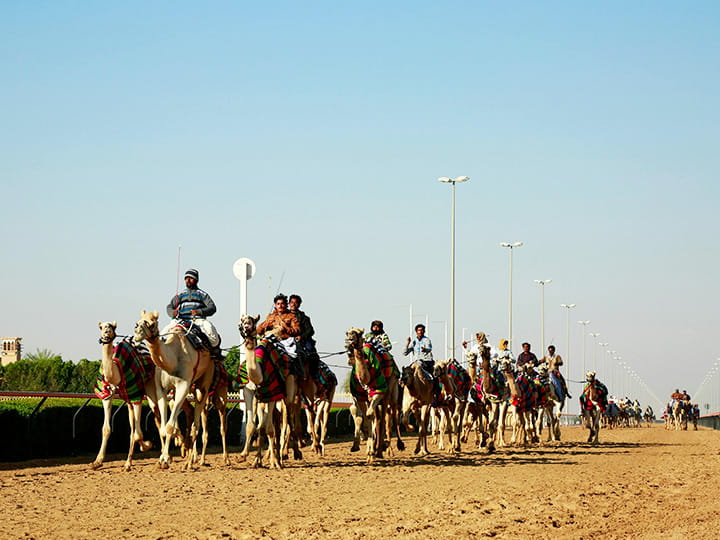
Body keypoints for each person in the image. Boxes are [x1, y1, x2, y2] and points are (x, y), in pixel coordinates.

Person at [164, 268, 222, 360]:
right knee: (162, 334)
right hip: (181, 320)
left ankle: (214, 353)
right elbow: (169, 306)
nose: (188, 280)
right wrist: (172, 312)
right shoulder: (180, 294)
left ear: (196, 280)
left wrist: (199, 311)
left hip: (198, 320)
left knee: (211, 332)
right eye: (186, 278)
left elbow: (212, 307)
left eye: (190, 278)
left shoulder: (202, 294)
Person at [404, 324, 439, 401]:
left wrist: (425, 349)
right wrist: (407, 343)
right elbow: (405, 353)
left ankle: (436, 396)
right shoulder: (413, 342)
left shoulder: (427, 340)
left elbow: (429, 348)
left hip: (426, 361)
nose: (420, 332)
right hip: (416, 362)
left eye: (422, 330)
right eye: (419, 330)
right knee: (406, 374)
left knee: (434, 377)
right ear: (416, 332)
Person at [288, 294, 319, 376]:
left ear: (299, 304)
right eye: (291, 302)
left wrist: (301, 337)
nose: (293, 304)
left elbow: (310, 331)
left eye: (296, 302)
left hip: (302, 340)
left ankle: (313, 375)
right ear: (289, 303)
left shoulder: (304, 318)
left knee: (311, 353)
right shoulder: (283, 316)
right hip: (286, 340)